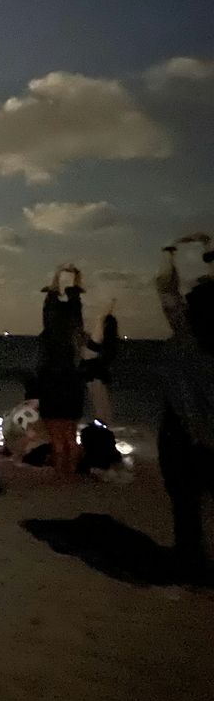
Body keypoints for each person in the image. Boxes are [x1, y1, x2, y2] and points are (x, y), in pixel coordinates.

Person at [156, 233, 214, 579]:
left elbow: (165, 288)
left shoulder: (185, 335)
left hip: (182, 430)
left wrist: (169, 253)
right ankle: (192, 558)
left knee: (185, 501)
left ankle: (190, 559)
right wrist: (208, 249)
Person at [37, 264, 87, 476]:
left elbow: (51, 299)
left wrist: (58, 272)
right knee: (70, 434)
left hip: (52, 380)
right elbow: (75, 301)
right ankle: (72, 468)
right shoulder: (75, 330)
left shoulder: (50, 331)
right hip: (73, 381)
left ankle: (61, 471)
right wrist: (76, 275)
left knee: (56, 435)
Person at [80, 299, 119, 422]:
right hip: (100, 375)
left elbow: (100, 320)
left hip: (92, 376)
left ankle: (102, 427)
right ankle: (103, 427)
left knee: (99, 406)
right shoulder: (110, 343)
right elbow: (102, 321)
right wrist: (111, 306)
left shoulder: (96, 341)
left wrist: (110, 304)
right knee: (103, 407)